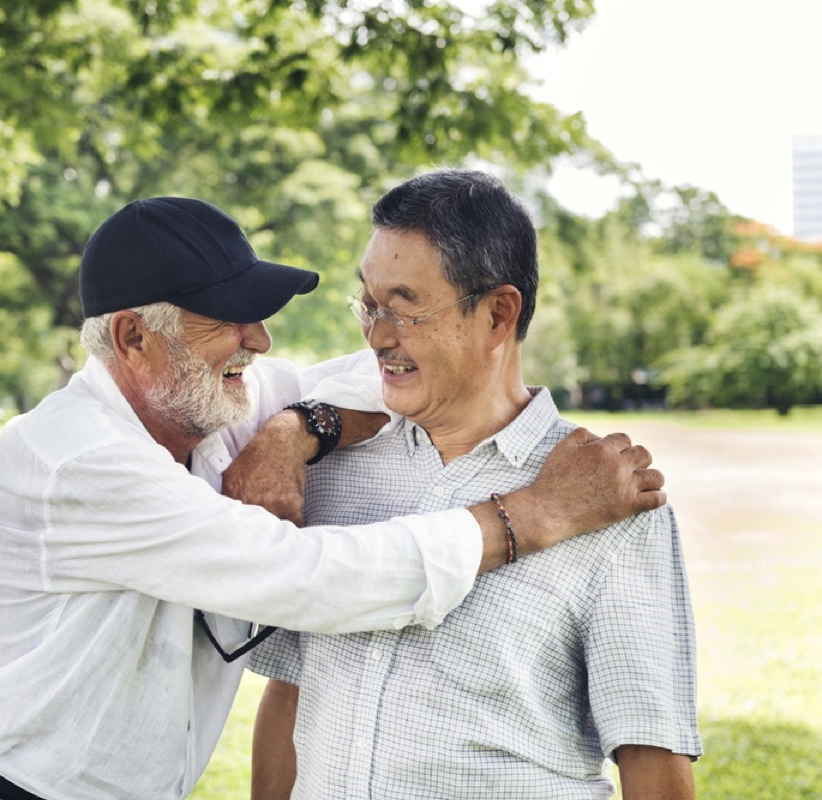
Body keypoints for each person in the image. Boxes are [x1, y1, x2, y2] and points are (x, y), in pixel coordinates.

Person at [0, 196, 667, 800]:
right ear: (135, 338)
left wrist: (292, 430)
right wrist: (533, 513)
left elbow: (384, 369)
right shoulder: (74, 459)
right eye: (228, 319)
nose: (261, 341)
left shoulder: (211, 405)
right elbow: (309, 578)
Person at [246, 170, 701, 800]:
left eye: (404, 308)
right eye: (370, 305)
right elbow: (292, 691)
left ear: (497, 314)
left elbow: (652, 759)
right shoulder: (333, 472)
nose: (377, 336)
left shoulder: (614, 501)